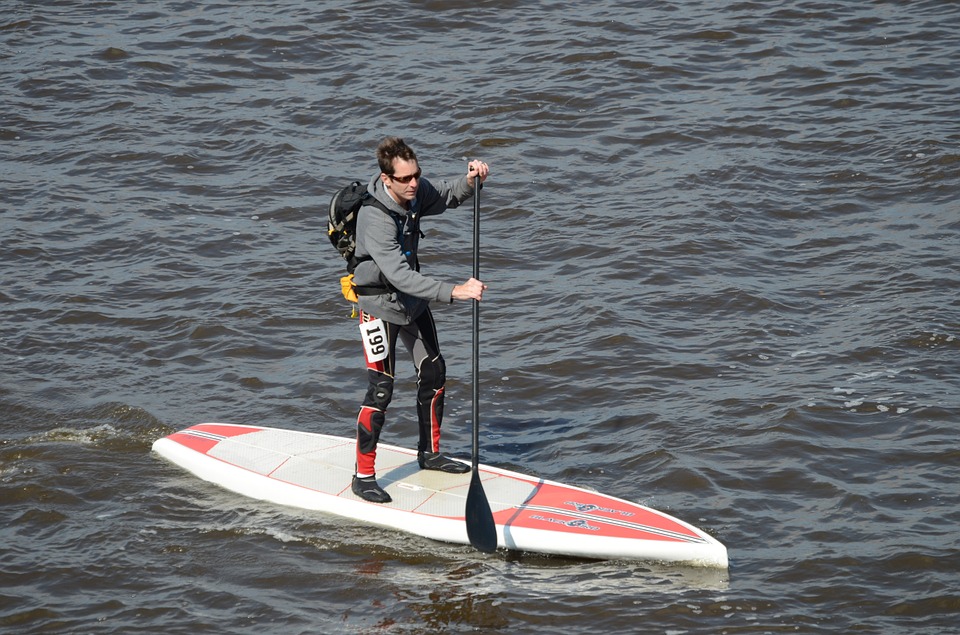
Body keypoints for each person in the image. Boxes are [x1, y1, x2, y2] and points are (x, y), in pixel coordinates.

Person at [349, 136, 489, 504]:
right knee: (381, 390)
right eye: (406, 178)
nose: (415, 183)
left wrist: (471, 180)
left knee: (434, 371)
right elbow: (399, 275)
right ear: (386, 179)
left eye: (417, 175)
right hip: (378, 306)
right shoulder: (374, 217)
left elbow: (445, 195)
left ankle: (430, 454)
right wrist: (454, 291)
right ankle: (363, 477)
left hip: (412, 304)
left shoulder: (414, 192)